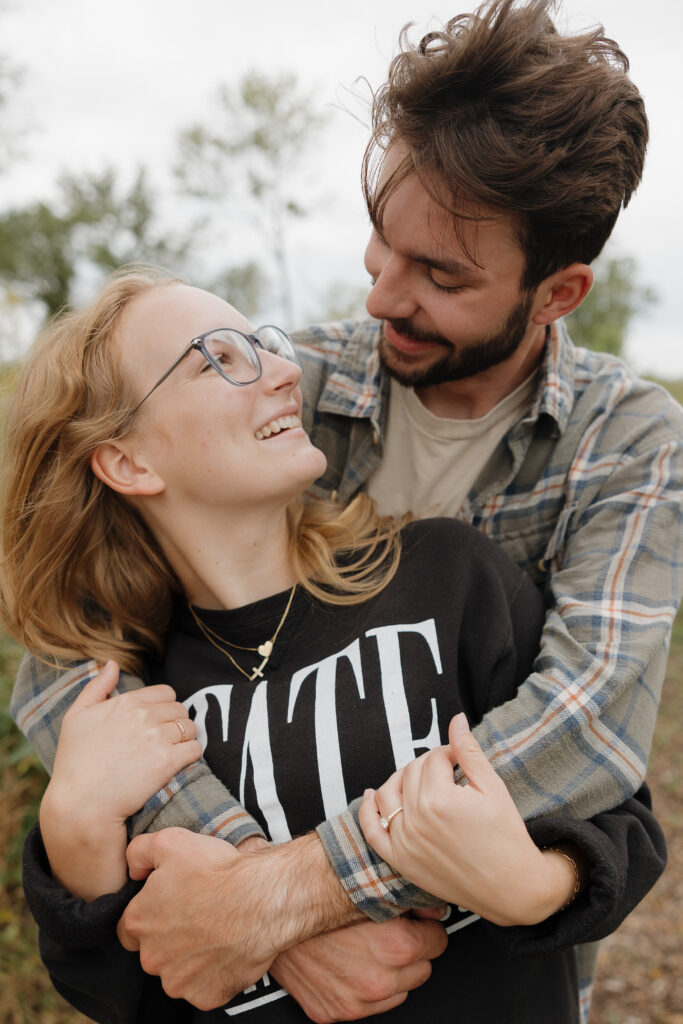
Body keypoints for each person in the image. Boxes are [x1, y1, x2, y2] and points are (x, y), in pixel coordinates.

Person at [9, 0, 683, 1019]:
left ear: (555, 293)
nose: (379, 297)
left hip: (490, 973)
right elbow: (68, 660)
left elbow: (582, 736)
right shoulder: (287, 385)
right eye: (381, 244)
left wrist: (288, 896)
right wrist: (263, 910)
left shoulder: (625, 442)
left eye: (439, 276)